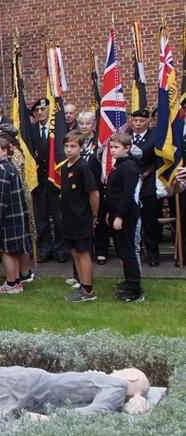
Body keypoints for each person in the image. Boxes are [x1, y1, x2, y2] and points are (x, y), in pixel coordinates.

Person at [0, 367, 151, 418]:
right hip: (39, 386)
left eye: (122, 369)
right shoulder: (112, 386)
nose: (116, 369)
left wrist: (49, 421)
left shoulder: (117, 386)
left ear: (130, 378)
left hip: (37, 384)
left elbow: (93, 412)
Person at [0, 137, 32, 294]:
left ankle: (11, 284)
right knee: (13, 250)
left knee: (7, 251)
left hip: (7, 218)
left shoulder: (3, 171)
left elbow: (0, 200)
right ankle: (16, 282)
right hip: (14, 216)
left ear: (5, 151)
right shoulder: (8, 166)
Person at [60, 130, 100, 302]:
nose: (69, 150)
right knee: (75, 252)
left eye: (73, 146)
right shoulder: (64, 167)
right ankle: (81, 284)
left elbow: (94, 194)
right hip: (68, 217)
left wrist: (94, 215)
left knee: (83, 253)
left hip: (81, 217)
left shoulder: (83, 167)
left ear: (81, 148)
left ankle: (88, 291)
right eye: (67, 146)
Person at [105, 132, 144, 302]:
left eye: (116, 147)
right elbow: (114, 191)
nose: (112, 150)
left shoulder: (129, 167)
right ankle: (129, 281)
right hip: (115, 211)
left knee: (127, 251)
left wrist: (119, 216)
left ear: (127, 148)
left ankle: (135, 289)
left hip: (126, 214)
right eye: (111, 147)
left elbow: (127, 194)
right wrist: (110, 213)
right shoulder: (120, 164)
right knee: (121, 249)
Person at [0, 124, 35, 284]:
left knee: (21, 237)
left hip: (18, 199)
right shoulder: (12, 153)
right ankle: (18, 272)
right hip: (17, 197)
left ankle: (23, 272)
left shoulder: (15, 155)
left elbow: (12, 178)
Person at [30, 98, 67, 263]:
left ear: (49, 111)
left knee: (59, 218)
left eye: (43, 109)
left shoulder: (57, 129)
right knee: (41, 218)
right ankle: (44, 249)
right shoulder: (30, 130)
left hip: (55, 180)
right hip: (38, 181)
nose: (39, 112)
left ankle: (60, 249)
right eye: (36, 110)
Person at [128, 108, 161, 267]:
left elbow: (157, 160)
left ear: (148, 121)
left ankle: (153, 253)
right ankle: (136, 251)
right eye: (136, 120)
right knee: (132, 220)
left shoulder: (154, 136)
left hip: (147, 183)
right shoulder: (127, 137)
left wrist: (145, 174)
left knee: (149, 221)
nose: (138, 124)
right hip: (130, 184)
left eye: (142, 121)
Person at [77, 110, 109, 265]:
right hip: (80, 187)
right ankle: (86, 250)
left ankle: (102, 250)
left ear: (94, 125)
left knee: (99, 219)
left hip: (97, 186)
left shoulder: (100, 141)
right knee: (84, 220)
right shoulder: (76, 140)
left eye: (87, 123)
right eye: (81, 123)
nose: (84, 126)